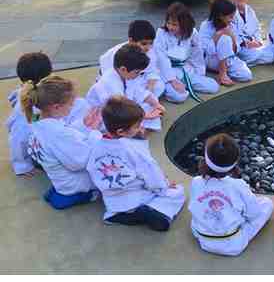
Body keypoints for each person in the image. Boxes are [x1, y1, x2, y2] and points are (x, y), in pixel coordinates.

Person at [87, 96, 185, 230]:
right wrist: (165, 185)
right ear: (121, 131)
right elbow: (151, 175)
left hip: (112, 200)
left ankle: (116, 215)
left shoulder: (95, 141)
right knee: (177, 192)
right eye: (137, 126)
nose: (140, 128)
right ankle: (155, 211)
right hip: (138, 198)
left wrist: (91, 129)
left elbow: (92, 142)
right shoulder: (133, 149)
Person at [22, 76, 103, 209]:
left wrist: (85, 126)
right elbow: (80, 162)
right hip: (73, 185)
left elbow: (65, 134)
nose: (72, 106)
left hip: (59, 177)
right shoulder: (59, 134)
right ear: (56, 107)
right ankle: (86, 195)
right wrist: (95, 134)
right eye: (71, 104)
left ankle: (59, 193)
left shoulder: (37, 120)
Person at [6, 52, 90, 177]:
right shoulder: (25, 110)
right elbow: (18, 138)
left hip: (50, 143)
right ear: (50, 73)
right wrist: (22, 166)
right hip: (46, 152)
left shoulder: (28, 95)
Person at [189, 133, 273, 255]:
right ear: (235, 161)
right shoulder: (238, 185)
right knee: (266, 203)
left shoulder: (196, 181)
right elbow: (254, 214)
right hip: (233, 244)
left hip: (202, 237)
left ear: (206, 159)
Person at [99, 19, 186, 103]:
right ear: (131, 41)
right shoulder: (116, 53)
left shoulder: (150, 52)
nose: (148, 47)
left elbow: (151, 71)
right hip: (119, 81)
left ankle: (143, 102)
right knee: (122, 96)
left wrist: (150, 85)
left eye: (151, 43)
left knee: (159, 85)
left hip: (136, 79)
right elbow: (111, 78)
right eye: (144, 44)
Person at [86, 44, 165, 133]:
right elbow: (119, 110)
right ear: (123, 69)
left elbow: (139, 92)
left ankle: (140, 126)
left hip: (122, 107)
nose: (138, 75)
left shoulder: (125, 75)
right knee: (133, 121)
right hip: (104, 116)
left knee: (150, 104)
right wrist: (144, 116)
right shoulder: (109, 83)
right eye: (137, 72)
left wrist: (156, 104)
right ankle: (137, 129)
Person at [154, 2, 218, 102]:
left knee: (213, 86)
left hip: (185, 70)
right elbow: (161, 59)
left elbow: (197, 54)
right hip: (167, 72)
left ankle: (184, 85)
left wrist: (199, 73)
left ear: (184, 23)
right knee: (179, 97)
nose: (170, 27)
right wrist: (172, 80)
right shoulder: (161, 33)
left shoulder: (192, 33)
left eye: (174, 24)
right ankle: (172, 86)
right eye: (168, 23)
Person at [199, 0, 253, 86]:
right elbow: (206, 50)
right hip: (211, 59)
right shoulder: (206, 26)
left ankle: (223, 70)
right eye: (230, 17)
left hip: (228, 58)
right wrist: (218, 35)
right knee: (224, 39)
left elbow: (236, 50)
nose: (232, 19)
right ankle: (222, 74)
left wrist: (231, 35)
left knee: (246, 76)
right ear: (220, 16)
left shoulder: (232, 24)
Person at [229, 0, 274, 66]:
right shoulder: (229, 12)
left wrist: (258, 42)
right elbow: (231, 33)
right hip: (239, 46)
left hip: (252, 44)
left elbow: (256, 28)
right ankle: (243, 61)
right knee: (254, 54)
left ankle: (248, 61)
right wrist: (245, 43)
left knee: (271, 56)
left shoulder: (250, 11)